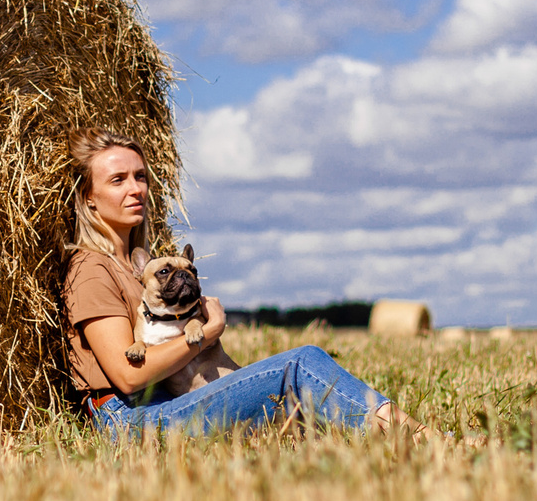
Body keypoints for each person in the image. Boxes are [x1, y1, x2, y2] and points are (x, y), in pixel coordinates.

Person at [62, 128, 418, 437]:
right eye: (118, 180)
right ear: (89, 198)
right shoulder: (91, 269)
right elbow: (127, 376)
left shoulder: (139, 265)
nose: (136, 189)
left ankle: (396, 437)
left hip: (171, 401)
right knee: (299, 364)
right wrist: (207, 334)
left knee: (301, 414)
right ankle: (421, 438)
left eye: (140, 176)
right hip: (132, 419)